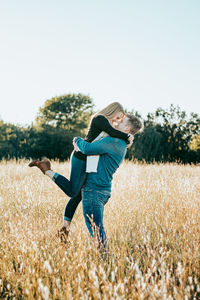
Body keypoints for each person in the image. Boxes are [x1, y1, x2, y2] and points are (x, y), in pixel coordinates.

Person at [29, 102, 133, 238]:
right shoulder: (100, 118)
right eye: (118, 117)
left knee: (79, 194)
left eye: (120, 119)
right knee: (72, 191)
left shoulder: (106, 122)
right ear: (113, 111)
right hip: (80, 156)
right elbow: (114, 133)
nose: (117, 120)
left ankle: (64, 230)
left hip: (86, 158)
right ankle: (47, 170)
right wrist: (127, 137)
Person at [73, 114, 143, 255]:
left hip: (94, 189)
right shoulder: (121, 143)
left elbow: (87, 148)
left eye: (122, 121)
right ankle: (103, 257)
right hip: (101, 189)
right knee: (97, 229)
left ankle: (104, 259)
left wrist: (77, 140)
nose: (118, 123)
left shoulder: (114, 141)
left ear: (127, 128)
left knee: (96, 230)